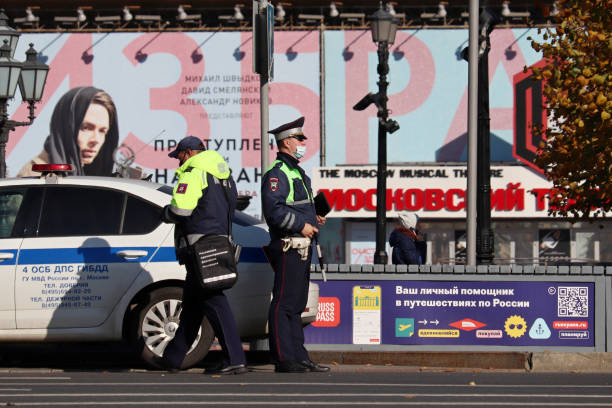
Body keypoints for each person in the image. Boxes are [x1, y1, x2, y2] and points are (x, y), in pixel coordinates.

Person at [158, 136, 247, 375]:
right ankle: (173, 358)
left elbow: (181, 209)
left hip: (199, 248)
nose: (177, 161)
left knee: (213, 300)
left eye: (178, 156)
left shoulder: (193, 172)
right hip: (219, 242)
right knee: (193, 305)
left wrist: (166, 212)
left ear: (188, 153)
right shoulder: (223, 174)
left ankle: (235, 357)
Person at [261, 116, 330, 373]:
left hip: (302, 246)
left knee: (297, 304)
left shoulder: (296, 172)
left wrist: (314, 218)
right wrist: (302, 225)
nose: (304, 143)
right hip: (289, 245)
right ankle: (283, 358)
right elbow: (274, 211)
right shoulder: (277, 174)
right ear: (287, 142)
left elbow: (296, 206)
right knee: (284, 303)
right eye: (300, 139)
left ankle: (299, 356)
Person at [17, 86, 119, 177]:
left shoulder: (79, 173)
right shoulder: (39, 176)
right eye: (86, 128)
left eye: (102, 131)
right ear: (65, 128)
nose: (96, 140)